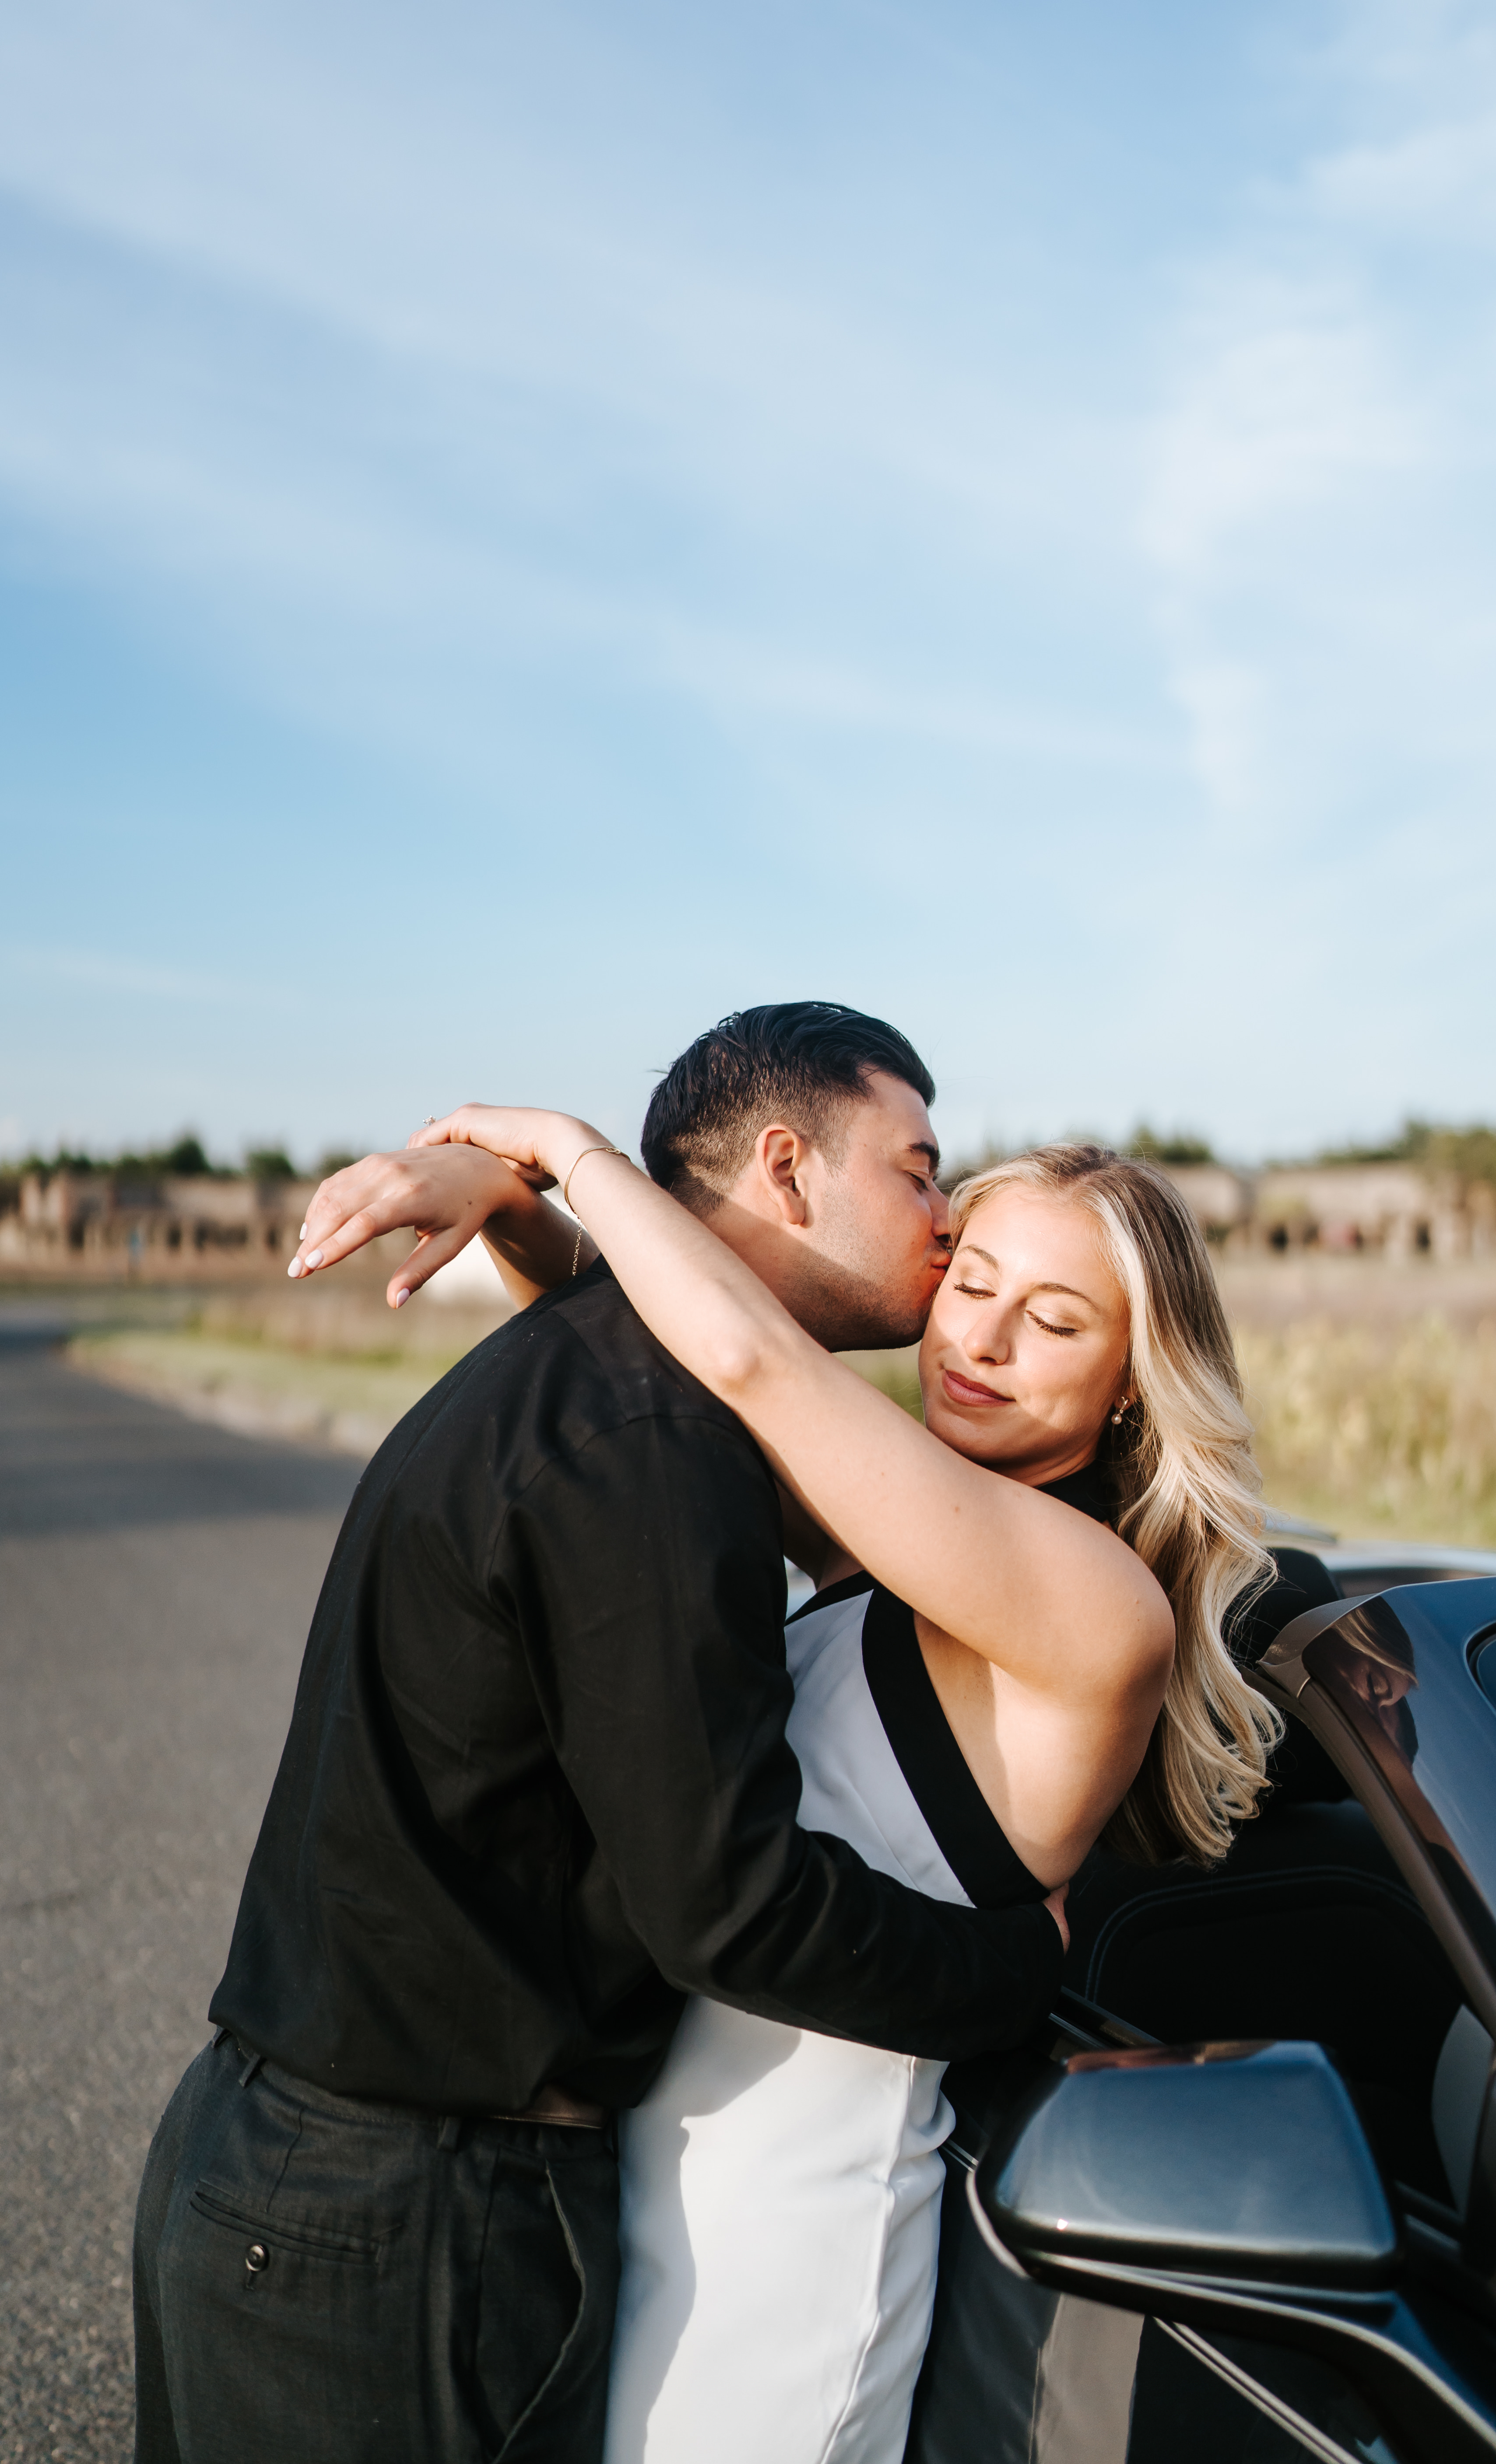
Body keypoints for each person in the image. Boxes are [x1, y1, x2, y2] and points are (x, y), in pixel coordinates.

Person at [130, 1006, 1071, 2464]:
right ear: (787, 1167)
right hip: (400, 2218)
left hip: (317, 2174)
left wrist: (526, 1211)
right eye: (921, 1171)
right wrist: (1027, 1973)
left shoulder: (614, 1372)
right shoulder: (653, 1442)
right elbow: (733, 1907)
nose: (946, 1227)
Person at [294, 1083, 1278, 2464]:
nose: (979, 1343)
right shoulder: (905, 1537)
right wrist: (516, 1215)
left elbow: (751, 1360)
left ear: (1133, 1387)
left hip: (791, 2243)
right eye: (972, 1283)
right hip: (657, 2175)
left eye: (1053, 1323)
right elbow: (678, 1366)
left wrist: (569, 1154)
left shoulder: (1096, 1605)